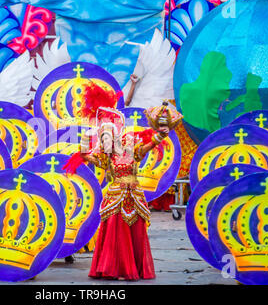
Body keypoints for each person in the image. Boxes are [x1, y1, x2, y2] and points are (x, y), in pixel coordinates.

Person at [64, 84, 182, 280]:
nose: (107, 137)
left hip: (133, 195)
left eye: (109, 133)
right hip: (115, 196)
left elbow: (147, 147)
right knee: (115, 233)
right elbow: (86, 156)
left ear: (118, 133)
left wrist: (161, 135)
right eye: (104, 135)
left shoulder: (131, 145)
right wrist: (85, 142)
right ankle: (113, 268)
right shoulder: (105, 155)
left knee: (133, 232)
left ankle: (132, 268)